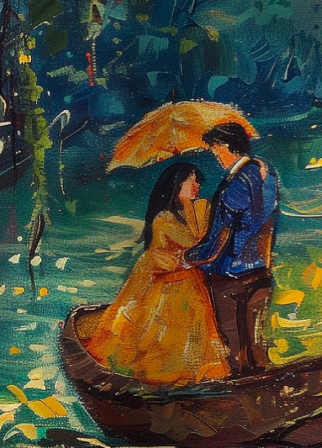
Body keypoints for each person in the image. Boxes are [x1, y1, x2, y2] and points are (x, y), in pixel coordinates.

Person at [71, 154, 229, 386]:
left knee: (194, 334)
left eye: (198, 182)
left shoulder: (194, 213)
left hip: (190, 282)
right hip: (168, 284)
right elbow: (192, 246)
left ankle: (193, 376)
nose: (197, 186)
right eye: (191, 182)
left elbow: (203, 244)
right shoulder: (165, 218)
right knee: (161, 340)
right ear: (176, 186)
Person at [187, 120, 280, 373]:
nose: (216, 156)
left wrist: (197, 257)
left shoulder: (236, 183)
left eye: (215, 149)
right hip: (260, 267)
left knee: (235, 342)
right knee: (256, 341)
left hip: (230, 271)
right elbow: (266, 221)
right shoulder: (266, 173)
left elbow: (224, 230)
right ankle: (265, 389)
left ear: (226, 145)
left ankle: (241, 396)